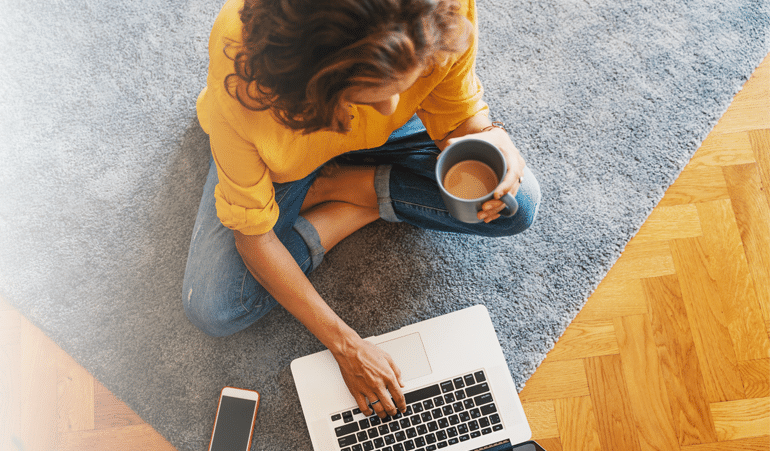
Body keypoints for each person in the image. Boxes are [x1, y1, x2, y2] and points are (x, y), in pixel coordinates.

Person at [181, 0, 541, 420]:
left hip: (385, 127)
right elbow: (253, 238)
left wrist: (491, 140)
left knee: (515, 205)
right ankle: (363, 193)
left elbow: (460, 118)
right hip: (287, 149)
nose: (390, 109)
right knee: (215, 306)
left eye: (404, 82)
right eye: (372, 92)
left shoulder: (437, 13)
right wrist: (346, 345)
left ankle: (352, 189)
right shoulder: (247, 75)